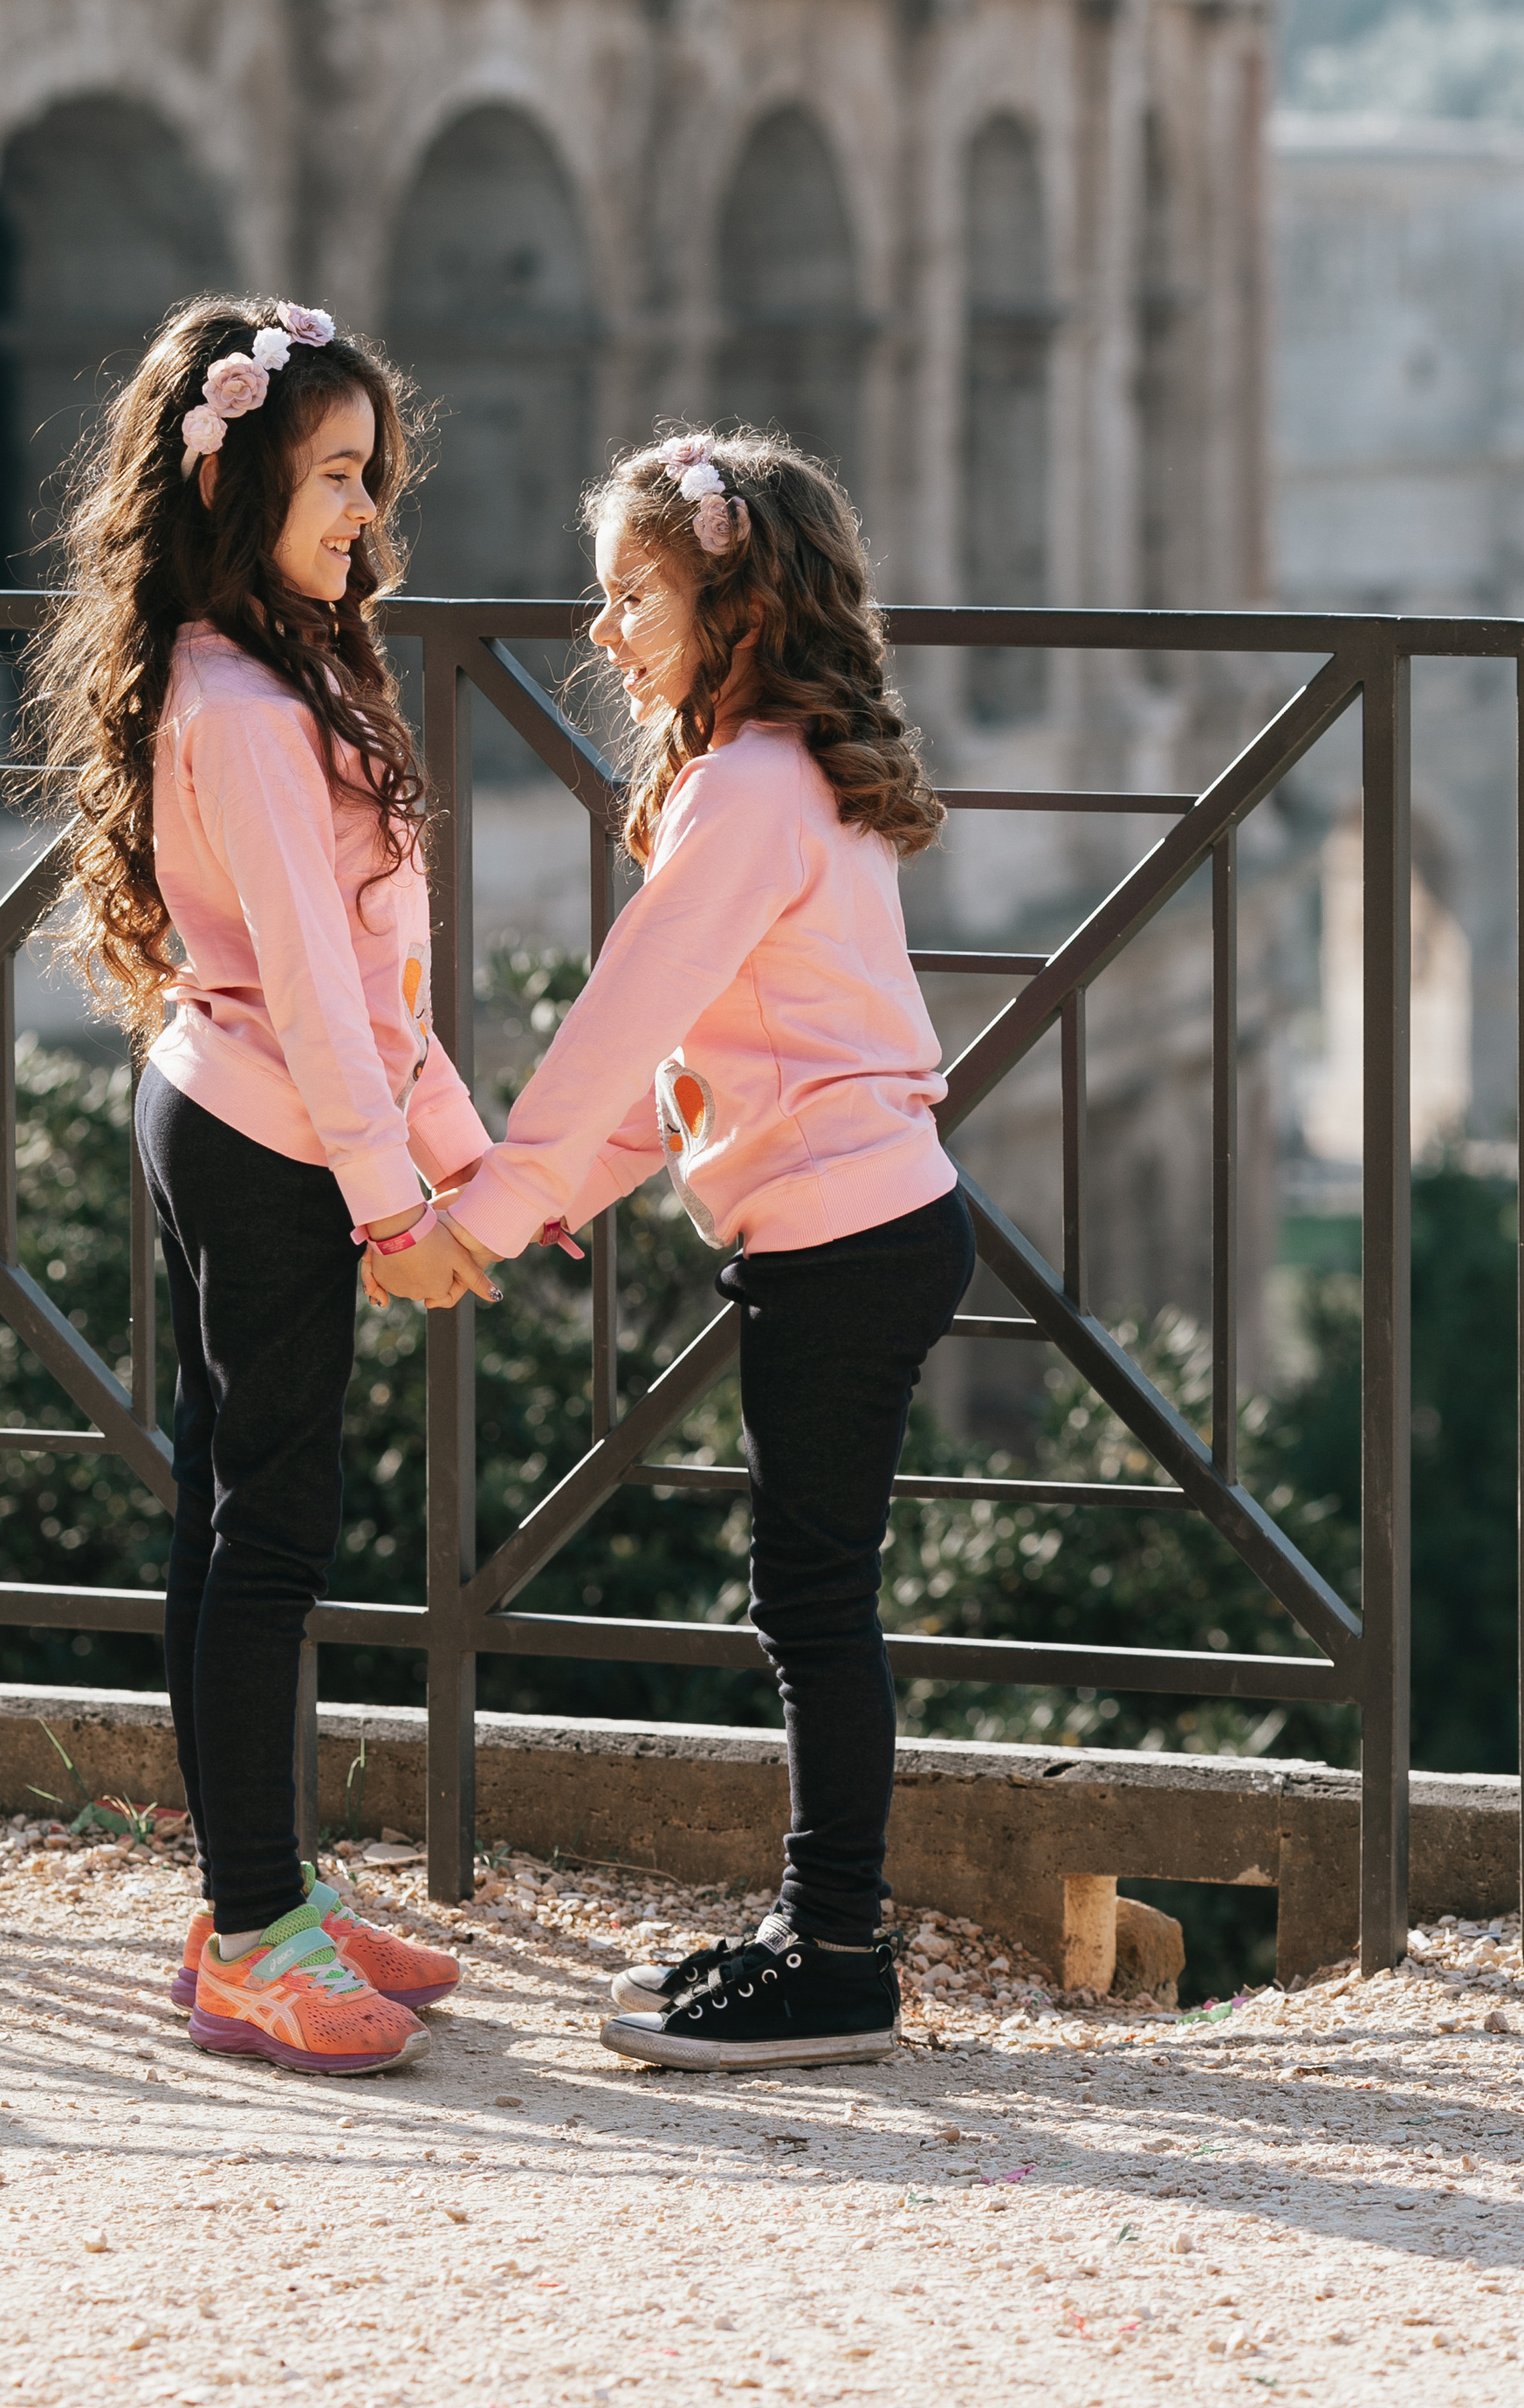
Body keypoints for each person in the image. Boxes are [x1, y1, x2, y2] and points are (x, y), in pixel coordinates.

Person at [437, 429, 973, 2070]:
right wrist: (506, 1212)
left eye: (632, 596)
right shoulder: (784, 768)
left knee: (813, 1609)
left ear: (728, 596)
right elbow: (671, 1087)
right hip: (857, 1225)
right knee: (811, 1605)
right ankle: (817, 1933)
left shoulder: (744, 792)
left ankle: (836, 1961)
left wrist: (488, 1208)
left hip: (846, 1236)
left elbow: (617, 1031)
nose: (601, 634)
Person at [31, 296, 492, 2077]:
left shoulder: (276, 659)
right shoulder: (238, 698)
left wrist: (461, 1151)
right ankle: (249, 1932)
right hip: (265, 1134)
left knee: (236, 1520)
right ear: (234, 485)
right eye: (332, 476)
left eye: (372, 476)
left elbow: (374, 973)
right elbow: (313, 978)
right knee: (265, 1533)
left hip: (256, 1111)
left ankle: (258, 1891)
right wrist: (398, 1201)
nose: (364, 508)